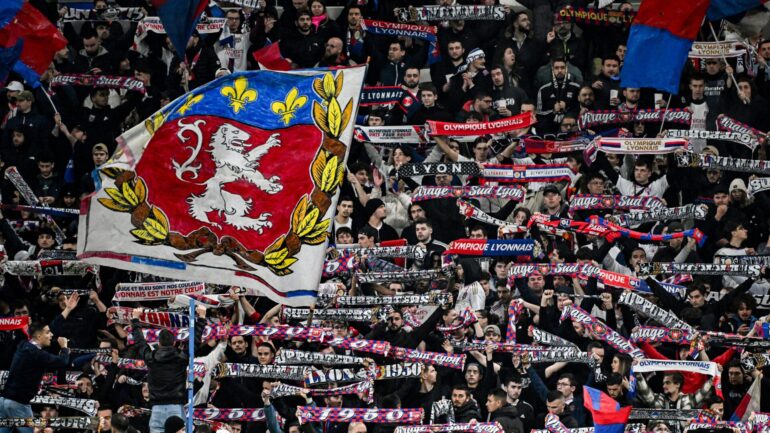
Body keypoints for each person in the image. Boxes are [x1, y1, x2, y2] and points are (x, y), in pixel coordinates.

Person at [131, 305, 207, 433]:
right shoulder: (181, 357)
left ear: (158, 343)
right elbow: (195, 342)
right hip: (176, 408)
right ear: (174, 343)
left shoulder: (151, 357)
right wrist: (202, 318)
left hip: (156, 410)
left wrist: (135, 319)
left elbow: (140, 342)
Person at [0, 322, 70, 433]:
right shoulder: (37, 354)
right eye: (48, 332)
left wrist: (67, 310)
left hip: (3, 401)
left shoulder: (22, 345)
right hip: (18, 404)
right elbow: (62, 361)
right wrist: (65, 348)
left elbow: (39, 330)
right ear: (38, 336)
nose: (51, 335)